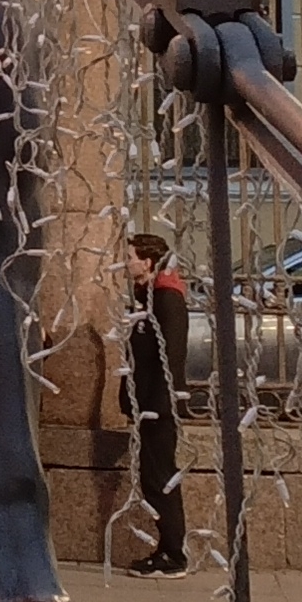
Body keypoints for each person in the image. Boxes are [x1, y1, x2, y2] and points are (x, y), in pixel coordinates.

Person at [101, 232, 191, 578]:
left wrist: (154, 404)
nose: (126, 262)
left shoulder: (166, 299)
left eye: (131, 256)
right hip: (147, 405)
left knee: (160, 476)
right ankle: (166, 548)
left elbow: (170, 356)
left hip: (158, 407)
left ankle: (173, 553)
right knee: (152, 476)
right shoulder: (146, 297)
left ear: (148, 262)